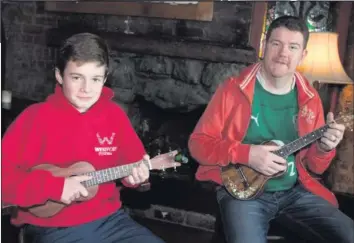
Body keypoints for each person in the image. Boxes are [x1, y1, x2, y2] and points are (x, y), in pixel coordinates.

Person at [188, 16, 354, 243]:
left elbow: (315, 166)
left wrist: (325, 148)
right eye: (276, 43)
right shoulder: (232, 90)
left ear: (302, 55)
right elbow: (198, 144)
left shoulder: (309, 97)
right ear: (264, 46)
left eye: (293, 47)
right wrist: (248, 154)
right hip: (242, 193)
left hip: (294, 191)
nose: (283, 53)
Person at [2, 33, 166, 243]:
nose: (86, 89)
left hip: (110, 221)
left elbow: (132, 163)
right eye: (77, 77)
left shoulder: (114, 115)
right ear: (60, 76)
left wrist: (135, 177)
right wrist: (55, 188)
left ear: (105, 79)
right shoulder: (33, 119)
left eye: (96, 79)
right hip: (52, 228)